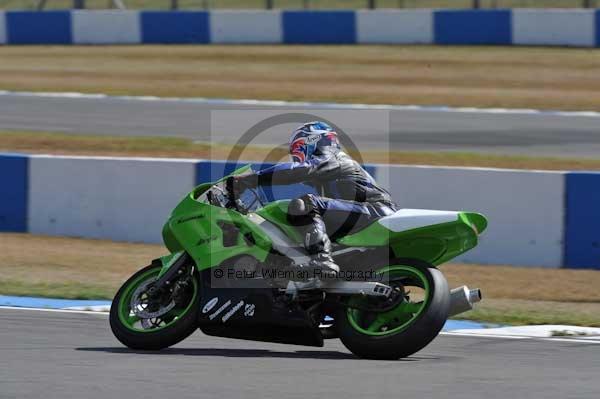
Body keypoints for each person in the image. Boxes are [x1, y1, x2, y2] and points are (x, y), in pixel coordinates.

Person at [228, 121, 397, 276]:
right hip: (363, 216)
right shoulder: (328, 174)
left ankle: (322, 260)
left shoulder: (335, 157)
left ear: (313, 141)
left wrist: (250, 180)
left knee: (306, 204)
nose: (296, 155)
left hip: (375, 210)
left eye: (298, 148)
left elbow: (299, 170)